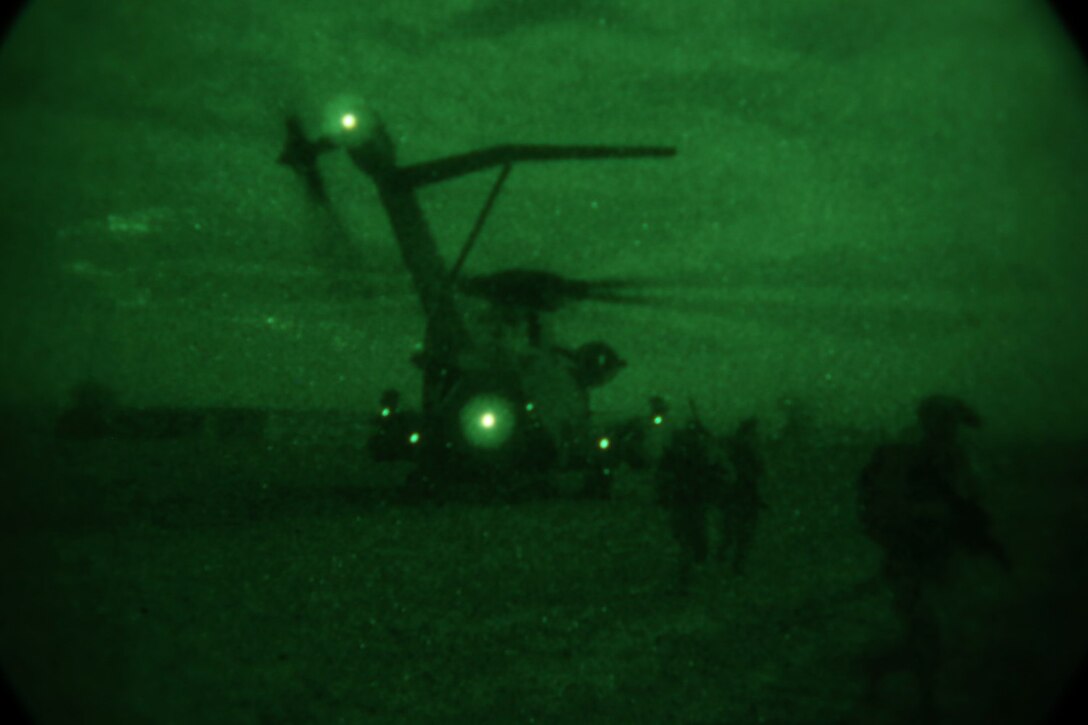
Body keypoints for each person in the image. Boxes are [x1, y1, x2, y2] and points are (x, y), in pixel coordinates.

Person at [856, 394, 1010, 719]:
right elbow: (892, 509)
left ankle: (878, 670)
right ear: (929, 422)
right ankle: (926, 700)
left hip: (940, 557)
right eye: (945, 420)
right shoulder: (907, 459)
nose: (951, 427)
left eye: (953, 421)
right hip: (909, 558)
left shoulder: (955, 457)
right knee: (930, 629)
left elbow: (970, 505)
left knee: (931, 634)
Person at [656, 413, 733, 591]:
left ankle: (687, 577)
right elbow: (725, 474)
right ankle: (687, 578)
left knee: (690, 542)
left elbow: (723, 474)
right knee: (693, 542)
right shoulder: (696, 453)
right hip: (691, 503)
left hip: (688, 502)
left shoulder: (689, 453)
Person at [716, 417, 766, 574]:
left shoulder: (732, 446)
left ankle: (727, 557)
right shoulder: (747, 448)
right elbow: (758, 469)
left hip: (736, 494)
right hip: (743, 494)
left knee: (731, 530)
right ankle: (736, 563)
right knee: (742, 533)